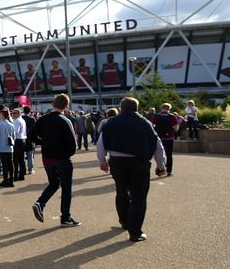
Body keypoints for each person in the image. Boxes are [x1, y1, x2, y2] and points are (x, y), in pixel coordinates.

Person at [97, 97, 167, 242]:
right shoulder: (145, 123)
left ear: (121, 107)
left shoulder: (111, 122)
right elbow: (157, 146)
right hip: (139, 163)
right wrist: (161, 166)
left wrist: (102, 160)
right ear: (137, 108)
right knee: (138, 198)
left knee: (121, 192)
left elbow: (101, 143)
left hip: (117, 162)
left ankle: (124, 221)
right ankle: (135, 232)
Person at [28, 93, 80, 227]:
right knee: (66, 187)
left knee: (54, 183)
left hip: (47, 157)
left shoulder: (43, 119)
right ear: (66, 106)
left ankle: (40, 203)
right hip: (62, 158)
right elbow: (72, 144)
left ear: (53, 104)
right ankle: (65, 217)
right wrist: (66, 153)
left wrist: (43, 142)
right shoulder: (65, 120)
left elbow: (30, 135)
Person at [151, 103, 179, 176]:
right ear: (169, 109)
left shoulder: (156, 116)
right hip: (169, 137)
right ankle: (169, 171)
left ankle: (160, 169)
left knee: (159, 153)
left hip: (159, 137)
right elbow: (176, 128)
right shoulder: (172, 116)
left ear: (161, 108)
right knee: (169, 154)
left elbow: (152, 126)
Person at [0, 109, 15, 187]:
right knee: (10, 163)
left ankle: (5, 180)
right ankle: (11, 180)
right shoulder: (12, 124)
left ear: (2, 115)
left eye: (0, 114)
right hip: (10, 147)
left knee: (4, 164)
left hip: (2, 147)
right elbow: (13, 137)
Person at [11, 108, 27, 181]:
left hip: (18, 140)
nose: (12, 114)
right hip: (22, 140)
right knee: (21, 159)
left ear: (18, 113)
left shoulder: (17, 121)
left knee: (15, 159)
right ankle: (22, 174)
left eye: (14, 113)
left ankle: (16, 175)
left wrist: (12, 141)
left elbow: (15, 132)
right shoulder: (22, 120)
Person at [22, 107, 36, 174]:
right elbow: (35, 129)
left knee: (22, 154)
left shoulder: (21, 118)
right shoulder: (32, 119)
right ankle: (30, 169)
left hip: (21, 138)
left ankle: (22, 169)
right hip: (30, 138)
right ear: (29, 111)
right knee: (30, 154)